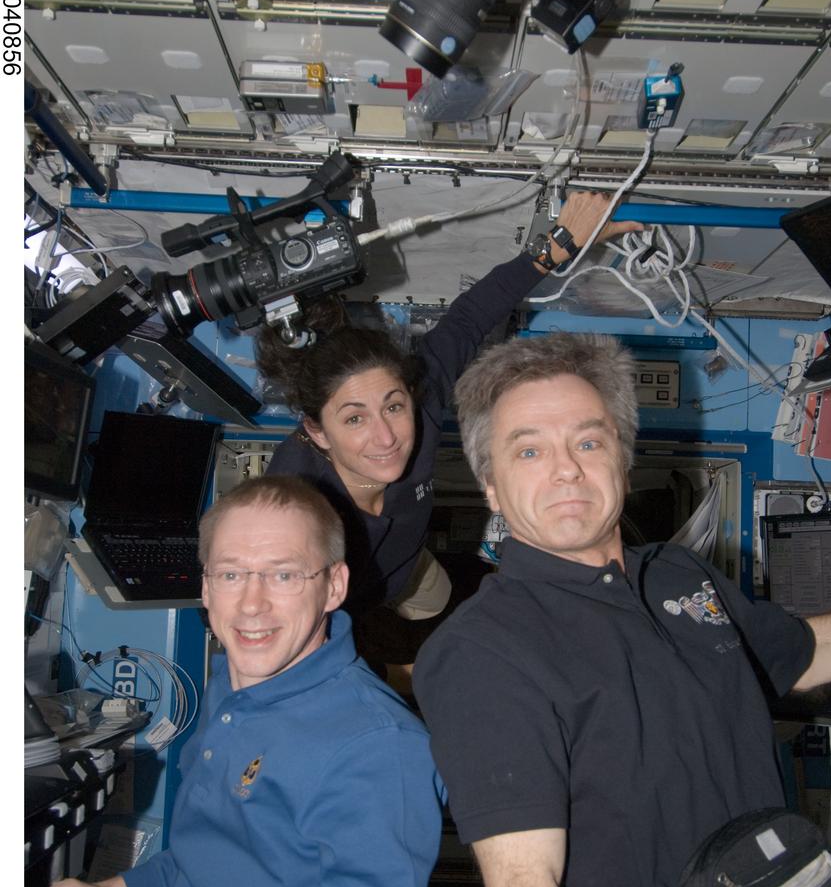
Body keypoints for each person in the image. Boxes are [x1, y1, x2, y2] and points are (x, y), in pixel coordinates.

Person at [412, 331, 831, 887]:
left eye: (588, 441)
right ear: (490, 485)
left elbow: (799, 655)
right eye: (529, 450)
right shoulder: (483, 652)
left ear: (622, 460)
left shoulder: (678, 576)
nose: (566, 469)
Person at [26, 475, 444, 887]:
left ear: (334, 586)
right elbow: (228, 848)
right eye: (230, 573)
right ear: (204, 586)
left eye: (284, 574)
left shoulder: (376, 750)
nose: (251, 604)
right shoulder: (239, 684)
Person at [257, 192, 642, 647]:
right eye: (354, 420)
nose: (386, 437)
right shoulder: (291, 507)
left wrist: (557, 245)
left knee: (436, 604)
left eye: (394, 407)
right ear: (317, 431)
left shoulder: (424, 396)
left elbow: (469, 318)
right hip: (337, 601)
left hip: (407, 567)